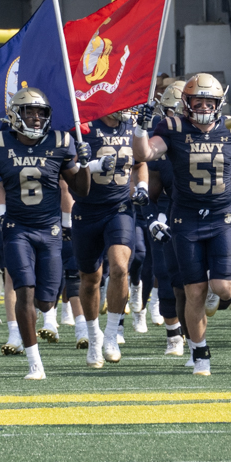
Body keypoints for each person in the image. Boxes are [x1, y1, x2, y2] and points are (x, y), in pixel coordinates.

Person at [132, 75, 231, 376]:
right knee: (193, 292)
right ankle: (200, 353)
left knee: (224, 289)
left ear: (219, 103)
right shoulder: (173, 127)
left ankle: (215, 286)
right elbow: (143, 154)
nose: (204, 107)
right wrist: (140, 128)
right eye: (199, 101)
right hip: (186, 219)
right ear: (187, 103)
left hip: (222, 217)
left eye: (210, 102)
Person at [0, 88, 88, 379]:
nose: (36, 117)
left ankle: (39, 321)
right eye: (29, 111)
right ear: (15, 115)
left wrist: (85, 165)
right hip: (17, 229)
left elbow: (81, 190)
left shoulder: (60, 143)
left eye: (41, 112)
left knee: (46, 301)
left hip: (50, 230)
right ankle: (35, 362)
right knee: (24, 289)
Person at [73, 110, 148, 368]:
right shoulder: (83, 126)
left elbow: (140, 163)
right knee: (90, 279)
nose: (129, 108)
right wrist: (90, 164)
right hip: (86, 210)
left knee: (119, 267)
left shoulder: (132, 127)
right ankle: (94, 336)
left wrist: (141, 187)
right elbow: (67, 171)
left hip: (120, 208)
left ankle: (112, 334)